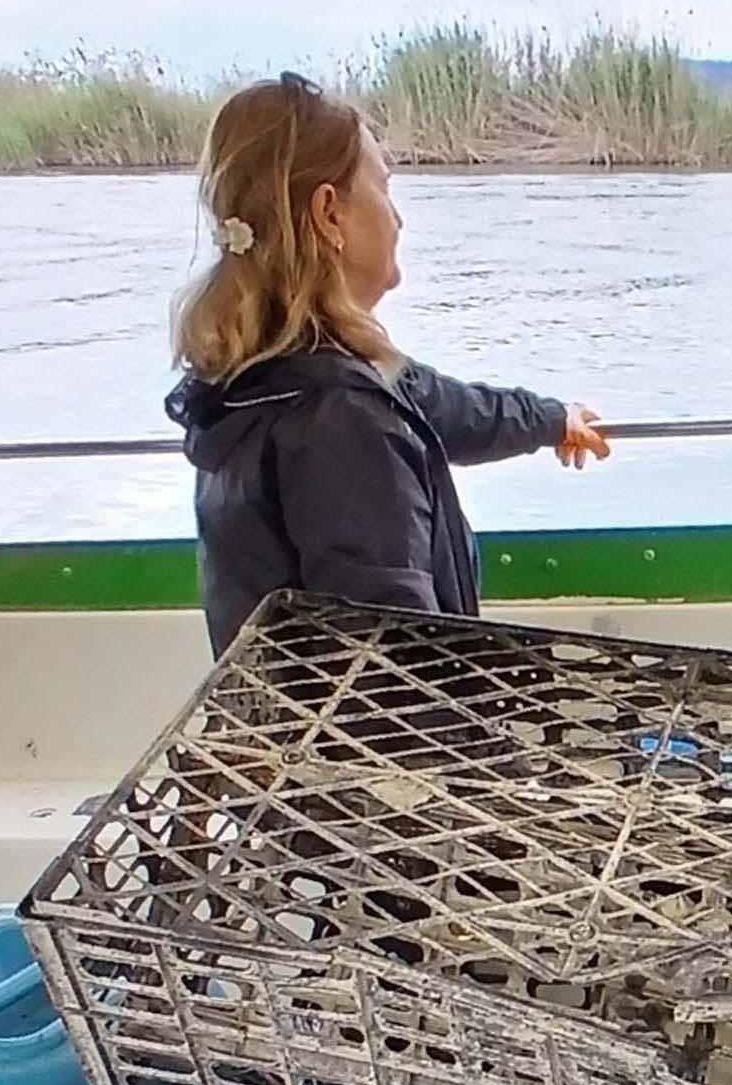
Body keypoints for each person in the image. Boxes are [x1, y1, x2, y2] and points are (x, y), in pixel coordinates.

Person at [165, 74, 611, 654]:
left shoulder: (257, 375)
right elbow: (393, 660)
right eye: (383, 188)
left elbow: (445, 407)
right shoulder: (341, 418)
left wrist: (549, 419)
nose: (398, 218)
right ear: (330, 215)